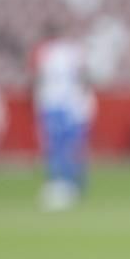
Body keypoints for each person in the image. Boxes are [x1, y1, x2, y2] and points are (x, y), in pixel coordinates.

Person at [30, 22, 92, 211]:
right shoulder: (73, 50)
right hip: (71, 103)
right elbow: (84, 77)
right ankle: (73, 184)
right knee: (70, 145)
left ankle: (60, 185)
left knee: (55, 146)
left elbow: (37, 77)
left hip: (52, 103)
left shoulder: (43, 52)